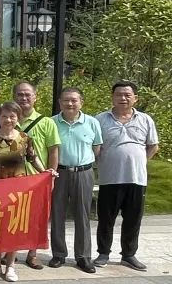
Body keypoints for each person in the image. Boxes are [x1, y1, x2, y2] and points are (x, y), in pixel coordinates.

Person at [95, 80, 160, 271]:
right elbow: (95, 147)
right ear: (112, 97)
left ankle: (129, 254)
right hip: (110, 177)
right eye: (118, 95)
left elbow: (153, 146)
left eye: (127, 95)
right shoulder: (100, 119)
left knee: (133, 219)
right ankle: (103, 253)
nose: (122, 98)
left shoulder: (145, 119)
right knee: (106, 218)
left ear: (135, 98)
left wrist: (139, 161)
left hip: (136, 178)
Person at [0, 101, 37, 283]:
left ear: (18, 118)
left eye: (12, 116)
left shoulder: (25, 138)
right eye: (4, 116)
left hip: (18, 191)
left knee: (14, 227)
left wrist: (46, 172)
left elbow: (33, 159)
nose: (8, 120)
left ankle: (11, 265)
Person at [50, 87, 102, 273]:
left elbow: (96, 148)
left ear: (81, 102)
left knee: (82, 214)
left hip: (83, 172)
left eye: (74, 100)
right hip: (60, 172)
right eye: (66, 100)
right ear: (59, 102)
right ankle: (58, 253)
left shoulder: (92, 122)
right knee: (57, 213)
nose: (70, 104)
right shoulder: (51, 122)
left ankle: (83, 256)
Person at [13, 81, 60, 270]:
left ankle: (32, 254)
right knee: (13, 218)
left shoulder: (47, 122)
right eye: (20, 94)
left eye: (27, 94)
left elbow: (53, 151)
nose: (23, 98)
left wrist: (51, 176)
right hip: (12, 179)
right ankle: (10, 252)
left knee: (36, 219)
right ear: (14, 97)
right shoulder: (8, 120)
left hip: (37, 179)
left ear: (35, 97)